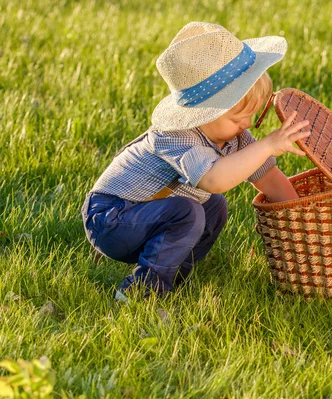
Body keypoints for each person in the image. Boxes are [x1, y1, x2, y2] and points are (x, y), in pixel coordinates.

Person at [81, 22, 310, 301]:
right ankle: (143, 289)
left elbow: (270, 179)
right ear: (203, 114)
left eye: (250, 115)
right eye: (238, 118)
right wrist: (267, 146)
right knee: (188, 211)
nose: (247, 124)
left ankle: (172, 273)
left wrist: (304, 223)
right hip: (111, 218)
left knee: (214, 207)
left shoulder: (235, 138)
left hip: (149, 212)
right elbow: (214, 180)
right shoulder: (175, 136)